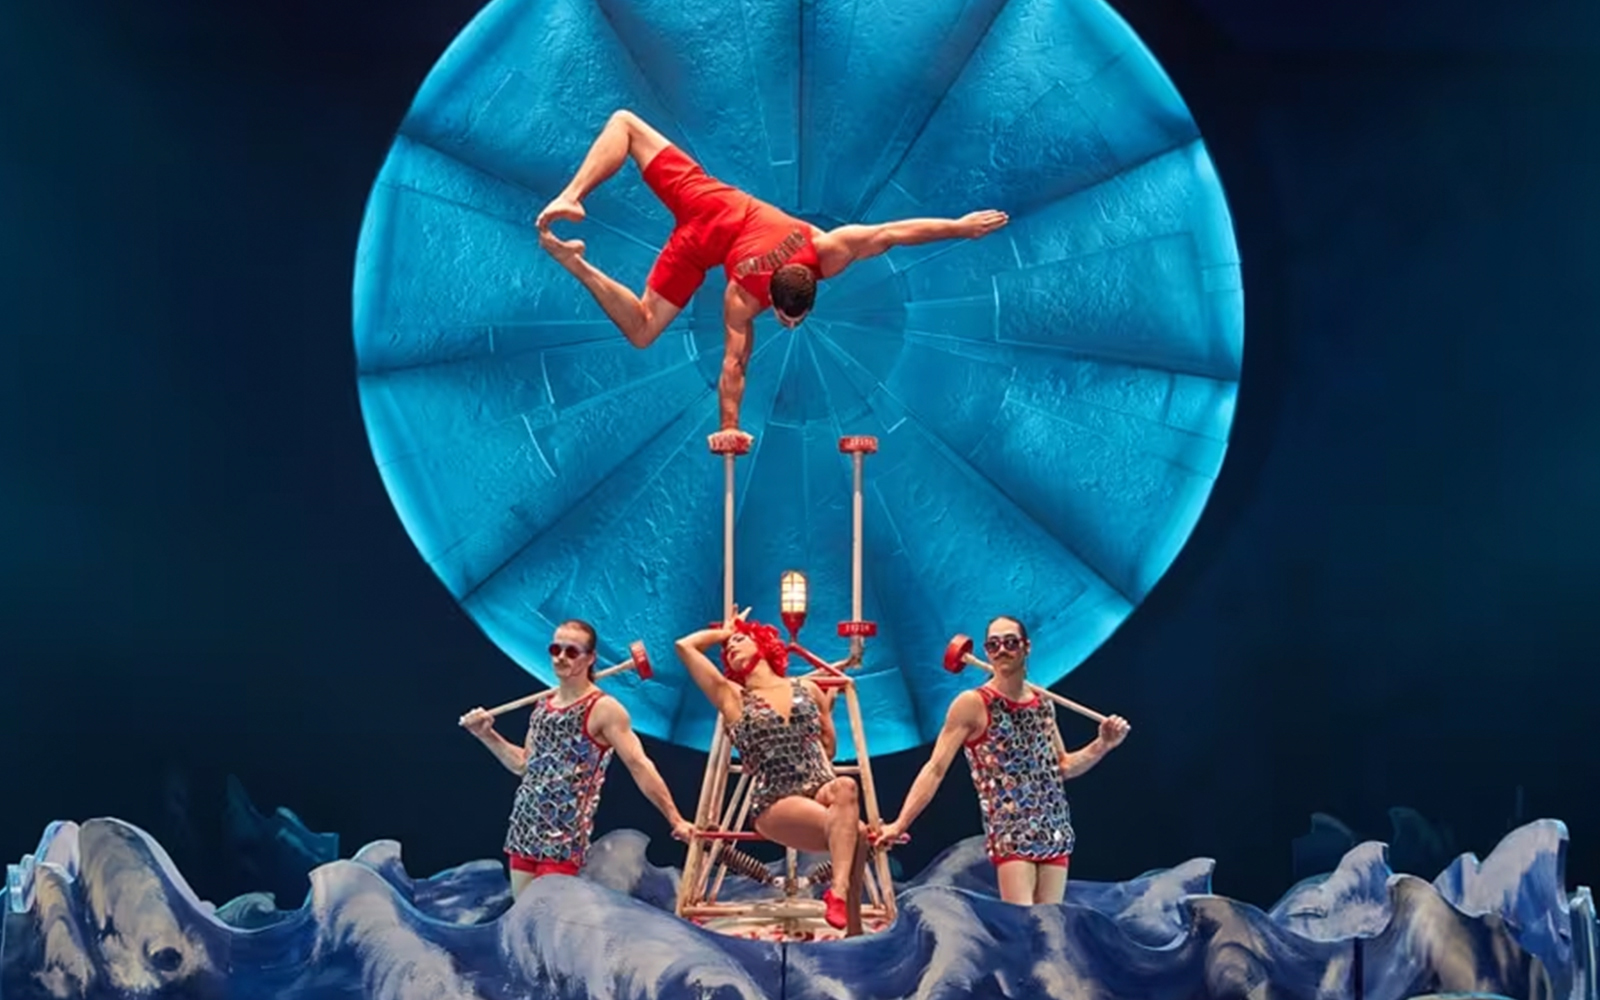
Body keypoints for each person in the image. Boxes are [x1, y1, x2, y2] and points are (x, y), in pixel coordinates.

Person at [535, 109, 1011, 452]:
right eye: (787, 318)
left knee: (625, 124)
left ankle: (573, 198)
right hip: (704, 230)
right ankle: (575, 261)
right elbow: (734, 364)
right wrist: (728, 429)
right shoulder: (745, 295)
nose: (789, 324)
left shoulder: (821, 252)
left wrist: (960, 226)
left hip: (714, 205)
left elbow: (893, 233)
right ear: (777, 304)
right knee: (642, 330)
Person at [875, 615, 1131, 905]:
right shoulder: (972, 704)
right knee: (1023, 926)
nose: (1002, 651)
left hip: (1054, 829)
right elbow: (935, 769)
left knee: (1050, 928)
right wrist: (900, 824)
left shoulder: (1042, 702)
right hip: (1010, 833)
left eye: (1010, 642)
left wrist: (1103, 744)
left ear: (1026, 647)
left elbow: (1062, 767)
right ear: (985, 651)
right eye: (993, 645)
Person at [460, 619, 695, 896]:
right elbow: (523, 765)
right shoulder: (542, 708)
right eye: (555, 649)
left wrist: (675, 818)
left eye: (572, 652)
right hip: (524, 832)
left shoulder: (605, 709)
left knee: (549, 923)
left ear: (591, 658)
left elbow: (639, 765)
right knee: (523, 924)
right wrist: (486, 735)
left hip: (563, 842)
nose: (561, 657)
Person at [674, 613, 862, 930]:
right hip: (776, 799)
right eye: (726, 647)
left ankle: (841, 899)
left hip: (820, 786)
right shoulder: (733, 698)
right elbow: (684, 647)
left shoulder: (807, 688)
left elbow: (828, 749)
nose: (730, 647)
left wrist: (826, 714)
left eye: (739, 640)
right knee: (855, 833)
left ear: (762, 644)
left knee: (846, 786)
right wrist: (725, 631)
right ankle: (848, 915)